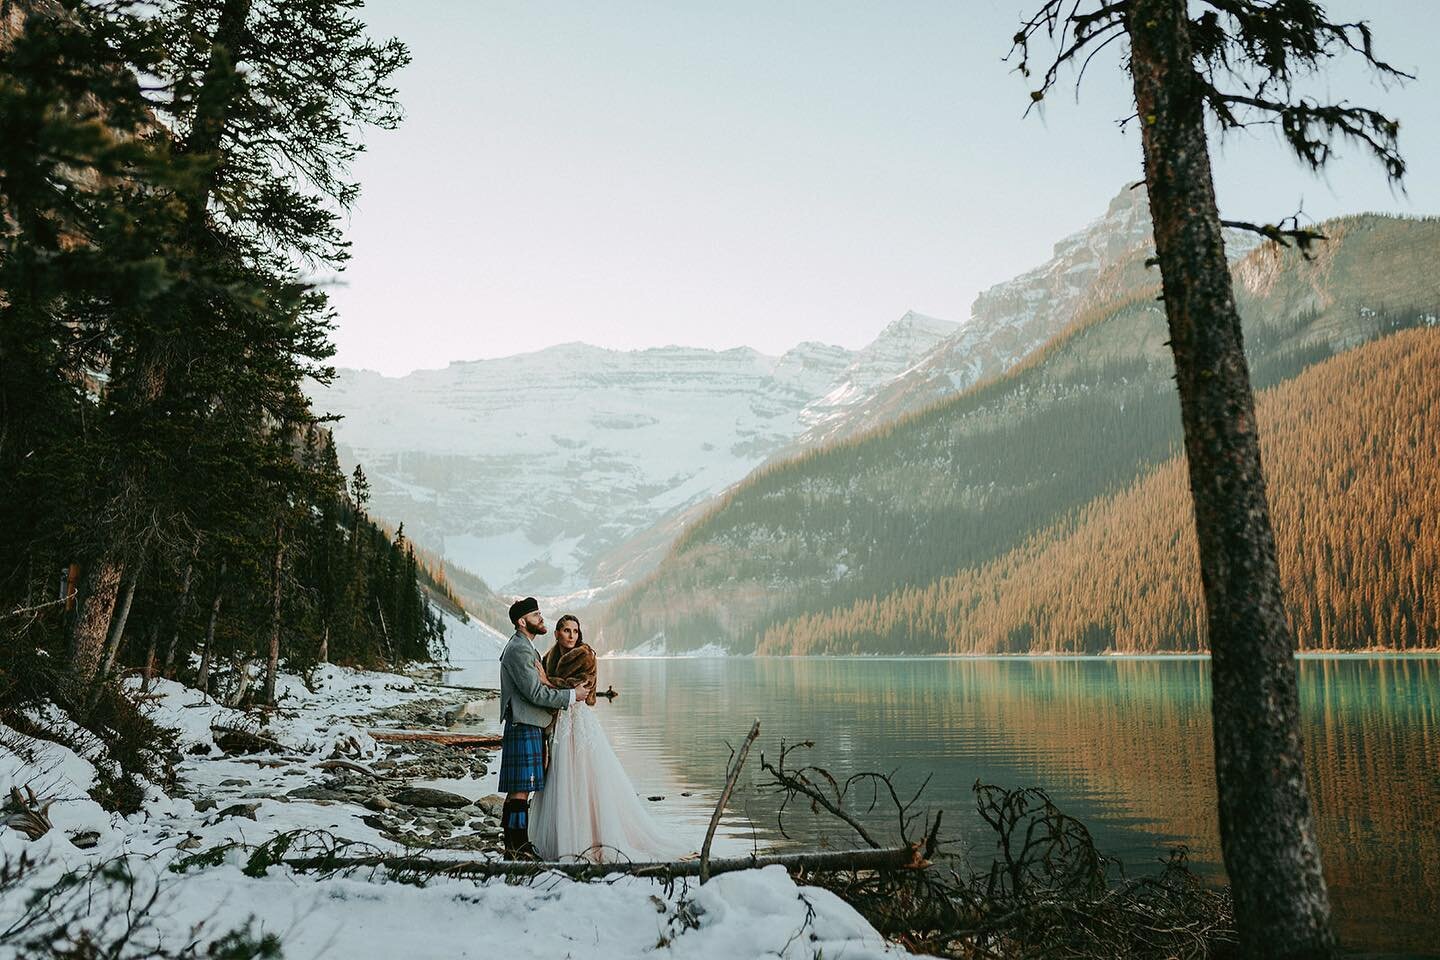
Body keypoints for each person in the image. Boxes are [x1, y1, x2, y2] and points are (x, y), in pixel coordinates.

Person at [529, 613, 685, 863]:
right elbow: (561, 691)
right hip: (559, 723)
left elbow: (580, 689)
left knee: (585, 777)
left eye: (575, 631)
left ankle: (592, 838)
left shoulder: (586, 655)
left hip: (578, 721)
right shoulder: (549, 657)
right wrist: (552, 686)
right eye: (566, 630)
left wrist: (547, 681)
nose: (571, 636)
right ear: (557, 633)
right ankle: (561, 840)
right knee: (561, 778)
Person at [497, 597, 592, 858]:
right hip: (524, 723)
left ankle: (516, 845)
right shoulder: (519, 649)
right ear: (522, 621)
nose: (541, 618)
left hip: (528, 722)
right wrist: (571, 696)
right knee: (520, 790)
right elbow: (534, 693)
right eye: (536, 615)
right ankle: (517, 848)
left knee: (521, 790)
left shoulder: (525, 647)